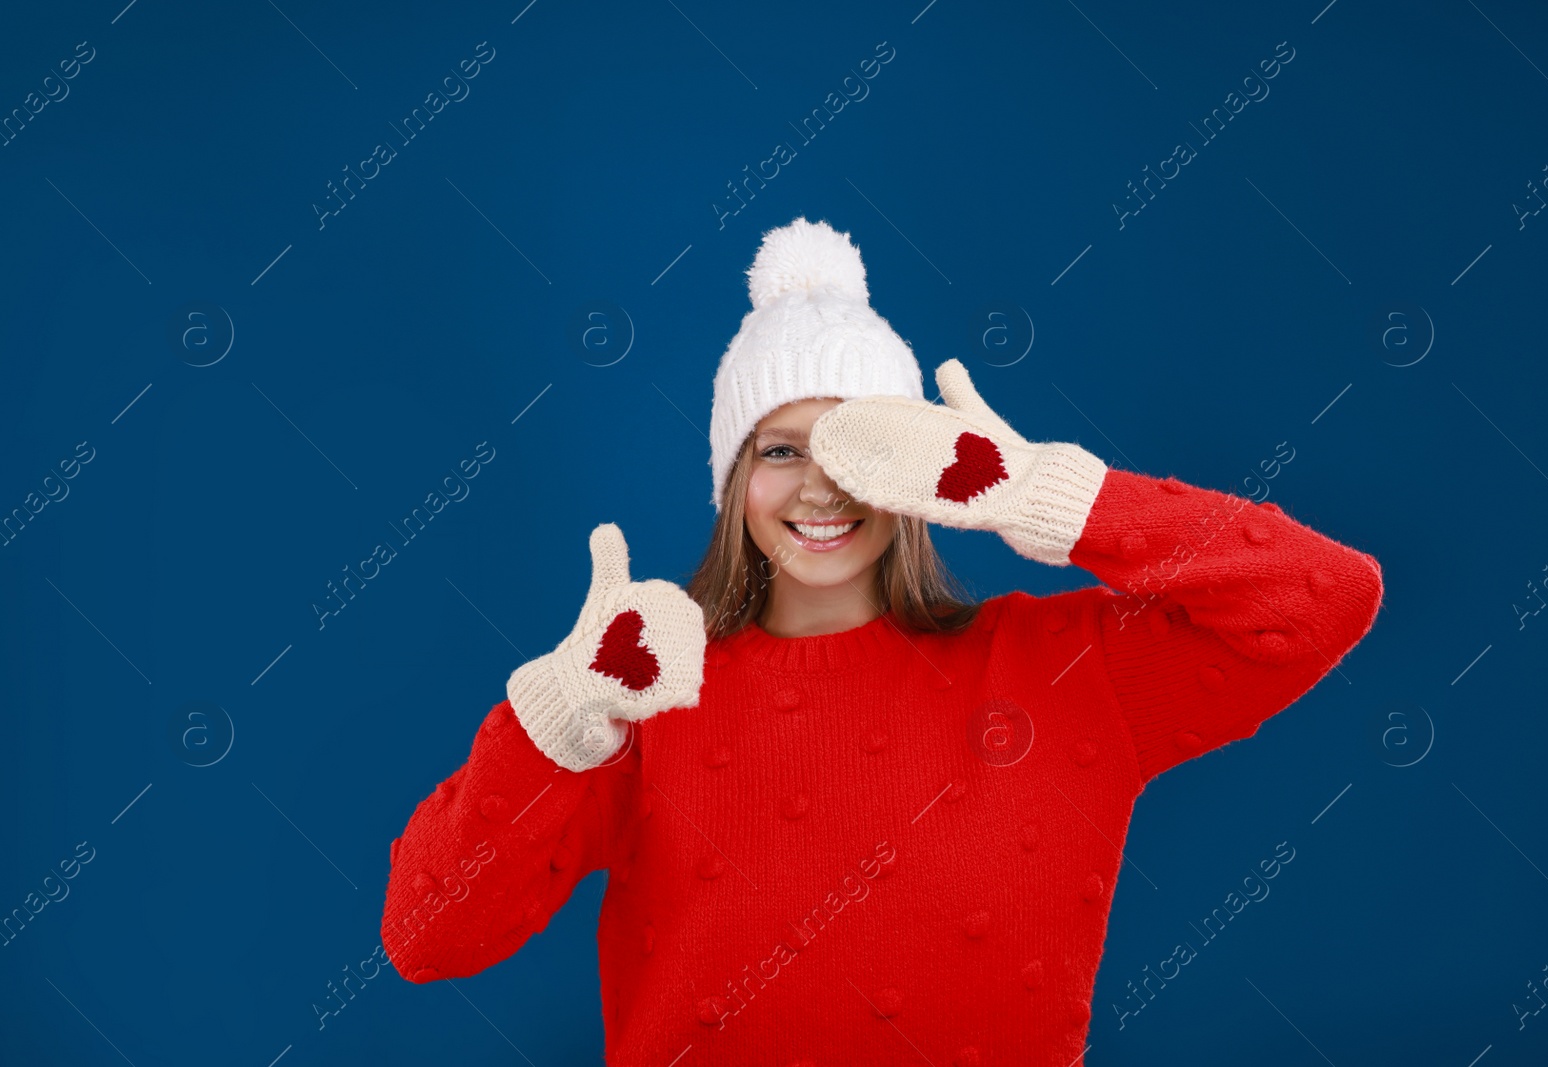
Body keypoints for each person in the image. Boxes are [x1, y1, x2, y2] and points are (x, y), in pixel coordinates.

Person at [379, 217, 1384, 1065]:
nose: (820, 487)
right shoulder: (640, 694)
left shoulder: (1065, 670)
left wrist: (1046, 494)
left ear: (923, 470)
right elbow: (428, 937)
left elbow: (1326, 596)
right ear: (731, 483)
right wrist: (556, 716)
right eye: (779, 450)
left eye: (856, 448)